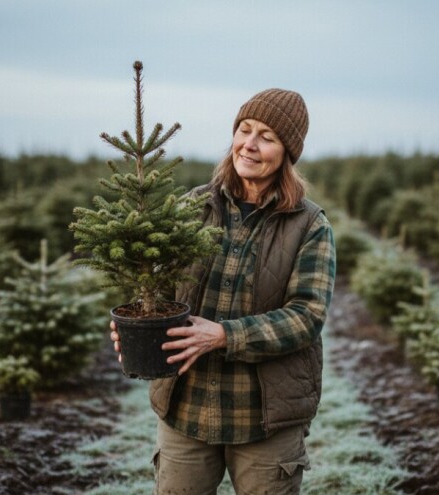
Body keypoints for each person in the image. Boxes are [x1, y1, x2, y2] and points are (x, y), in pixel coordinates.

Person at [110, 88, 336, 494]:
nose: (249, 144)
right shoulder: (194, 207)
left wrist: (224, 335)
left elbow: (307, 316)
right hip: (186, 406)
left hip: (264, 416)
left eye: (266, 137)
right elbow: (157, 286)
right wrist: (135, 321)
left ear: (287, 152)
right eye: (244, 130)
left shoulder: (309, 225)